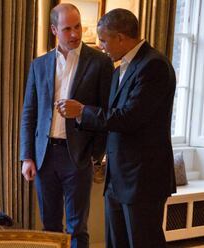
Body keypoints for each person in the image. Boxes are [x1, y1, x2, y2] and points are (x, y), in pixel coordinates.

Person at [57, 8, 176, 248]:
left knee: (143, 243)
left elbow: (129, 118)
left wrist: (82, 111)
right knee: (115, 243)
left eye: (103, 39)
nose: (101, 46)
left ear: (120, 37)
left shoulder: (154, 66)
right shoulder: (121, 68)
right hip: (118, 177)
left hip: (143, 179)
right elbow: (112, 117)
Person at [20, 3, 113, 248]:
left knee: (77, 228)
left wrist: (96, 156)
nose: (74, 34)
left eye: (78, 27)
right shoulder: (39, 65)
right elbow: (29, 113)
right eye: (67, 29)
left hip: (78, 156)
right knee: (49, 226)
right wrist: (27, 157)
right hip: (44, 156)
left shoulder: (100, 63)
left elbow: (107, 113)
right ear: (54, 29)